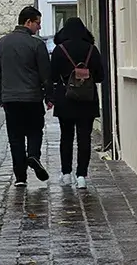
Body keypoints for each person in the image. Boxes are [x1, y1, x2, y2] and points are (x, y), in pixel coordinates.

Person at [0, 5, 52, 188]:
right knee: (35, 130)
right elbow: (46, 74)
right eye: (37, 23)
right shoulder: (36, 44)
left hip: (10, 99)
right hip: (32, 98)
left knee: (15, 137)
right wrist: (49, 96)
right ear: (28, 22)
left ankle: (20, 177)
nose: (39, 27)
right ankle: (33, 155)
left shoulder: (2, 43)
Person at [50, 17, 104, 190]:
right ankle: (82, 175)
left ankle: (66, 173)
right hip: (87, 100)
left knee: (66, 137)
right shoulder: (91, 50)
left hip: (66, 99)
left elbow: (52, 76)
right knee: (84, 138)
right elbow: (101, 76)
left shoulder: (60, 50)